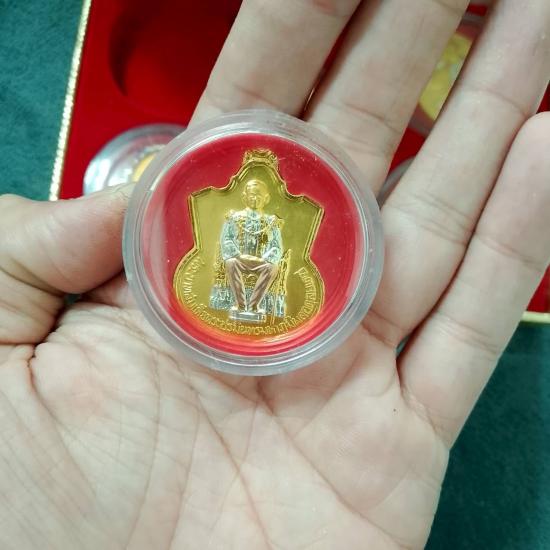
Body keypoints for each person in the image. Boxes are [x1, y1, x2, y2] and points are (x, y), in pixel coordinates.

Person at [0, 0, 549, 548]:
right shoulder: (232, 214)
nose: (258, 199)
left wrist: (273, 257)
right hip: (234, 263)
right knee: (239, 265)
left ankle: (254, 304)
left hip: (266, 266)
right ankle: (242, 302)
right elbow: (223, 242)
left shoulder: (276, 219)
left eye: (264, 195)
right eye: (253, 194)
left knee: (264, 267)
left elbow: (281, 248)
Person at [221, 179, 283, 320]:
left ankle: (254, 306)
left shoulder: (271, 222)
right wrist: (238, 255)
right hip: (240, 260)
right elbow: (226, 239)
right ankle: (240, 305)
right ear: (245, 197)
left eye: (259, 196)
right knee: (230, 263)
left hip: (261, 262)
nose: (255, 199)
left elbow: (277, 246)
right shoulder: (234, 218)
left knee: (272, 267)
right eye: (252, 195)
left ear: (266, 199)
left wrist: (264, 259)